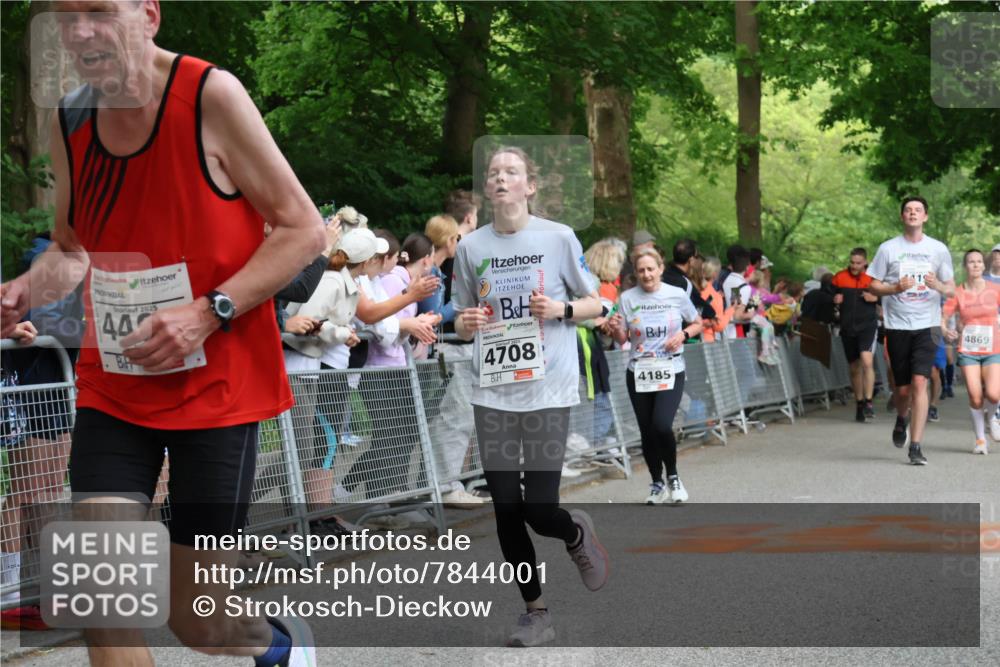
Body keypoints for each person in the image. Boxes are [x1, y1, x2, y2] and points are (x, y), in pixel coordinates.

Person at [0, 3, 328, 664]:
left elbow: (304, 230)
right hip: (115, 390)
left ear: (148, 13)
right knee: (101, 598)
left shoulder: (211, 95)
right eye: (66, 18)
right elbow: (71, 247)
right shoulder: (73, 117)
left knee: (200, 624)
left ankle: (281, 646)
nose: (80, 31)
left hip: (219, 392)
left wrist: (210, 310)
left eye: (98, 11)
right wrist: (24, 289)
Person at [453, 146, 607, 647]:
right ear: (488, 187)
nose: (501, 178)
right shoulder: (471, 247)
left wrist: (560, 308)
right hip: (493, 392)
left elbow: (596, 303)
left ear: (529, 186)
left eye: (511, 171)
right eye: (494, 172)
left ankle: (572, 533)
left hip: (547, 390)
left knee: (539, 509)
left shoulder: (558, 237)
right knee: (504, 510)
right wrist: (467, 321)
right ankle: (536, 612)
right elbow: (458, 316)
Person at [609, 248, 702, 504]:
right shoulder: (627, 298)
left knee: (661, 424)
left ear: (661, 268)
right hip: (638, 371)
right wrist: (616, 328)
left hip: (671, 368)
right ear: (636, 273)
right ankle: (656, 483)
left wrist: (682, 335)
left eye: (651, 269)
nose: (646, 274)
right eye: (641, 270)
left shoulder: (676, 294)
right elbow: (622, 338)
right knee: (647, 430)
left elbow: (697, 323)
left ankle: (673, 476)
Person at [866, 196, 955, 465]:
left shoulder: (938, 249)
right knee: (902, 390)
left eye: (918, 210)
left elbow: (951, 289)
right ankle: (901, 418)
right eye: (908, 210)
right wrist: (895, 288)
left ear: (925, 216)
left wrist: (936, 285)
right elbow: (872, 286)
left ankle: (916, 446)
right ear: (902, 216)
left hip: (928, 325)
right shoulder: (888, 249)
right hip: (897, 325)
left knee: (921, 382)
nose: (913, 213)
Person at [942, 249, 1000, 454]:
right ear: (965, 266)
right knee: (976, 397)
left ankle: (992, 416)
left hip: (993, 348)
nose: (975, 265)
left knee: (993, 394)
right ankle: (980, 440)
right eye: (970, 262)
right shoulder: (957, 292)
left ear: (984, 266)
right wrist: (945, 330)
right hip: (968, 350)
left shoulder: (994, 289)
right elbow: (943, 316)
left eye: (978, 262)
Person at [832, 247, 880, 423]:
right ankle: (859, 403)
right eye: (852, 262)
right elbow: (830, 296)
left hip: (867, 326)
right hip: (847, 328)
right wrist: (834, 300)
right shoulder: (839, 277)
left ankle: (868, 402)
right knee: (854, 368)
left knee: (867, 361)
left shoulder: (872, 279)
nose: (854, 266)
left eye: (858, 263)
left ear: (865, 263)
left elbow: (887, 297)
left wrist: (875, 299)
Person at [663, 239, 716, 323]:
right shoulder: (684, 283)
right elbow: (705, 310)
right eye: (696, 256)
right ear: (691, 259)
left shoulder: (661, 273)